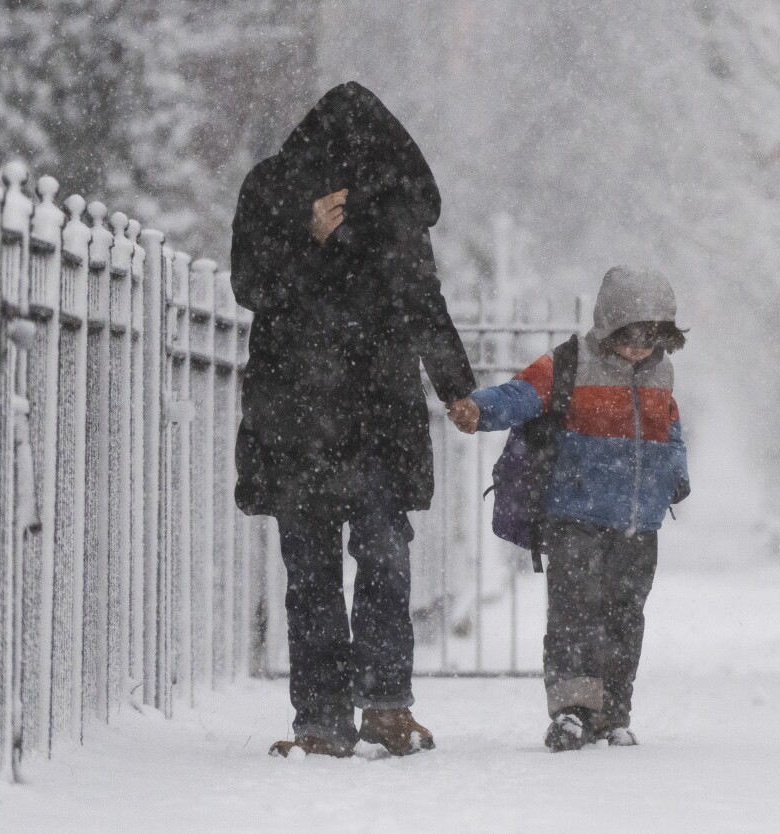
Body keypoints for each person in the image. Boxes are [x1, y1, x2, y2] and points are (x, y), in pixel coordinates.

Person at [230, 82, 476, 758]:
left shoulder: (392, 206)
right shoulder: (273, 192)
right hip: (301, 414)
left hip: (369, 414)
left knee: (379, 562)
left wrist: (457, 387)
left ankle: (383, 707)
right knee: (317, 570)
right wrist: (307, 239)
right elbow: (251, 286)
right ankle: (323, 719)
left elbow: (421, 300)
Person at [446, 267, 690, 751]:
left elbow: (670, 427)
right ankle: (572, 710)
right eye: (630, 336)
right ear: (609, 325)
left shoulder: (661, 373)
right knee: (573, 612)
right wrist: (479, 408)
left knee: (625, 616)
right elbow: (520, 395)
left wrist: (675, 474)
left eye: (652, 338)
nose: (639, 349)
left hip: (638, 519)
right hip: (576, 514)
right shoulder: (570, 363)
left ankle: (613, 712)